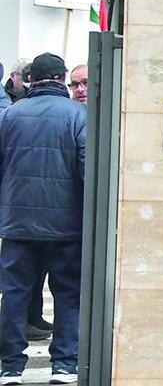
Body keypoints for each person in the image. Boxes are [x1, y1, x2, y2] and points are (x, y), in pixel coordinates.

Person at [0, 53, 85, 384]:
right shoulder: (77, 116)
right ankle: (64, 365)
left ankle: (10, 367)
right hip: (67, 227)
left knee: (15, 295)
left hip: (17, 225)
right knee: (67, 295)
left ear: (31, 79)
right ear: (63, 78)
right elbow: (86, 170)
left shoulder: (10, 115)